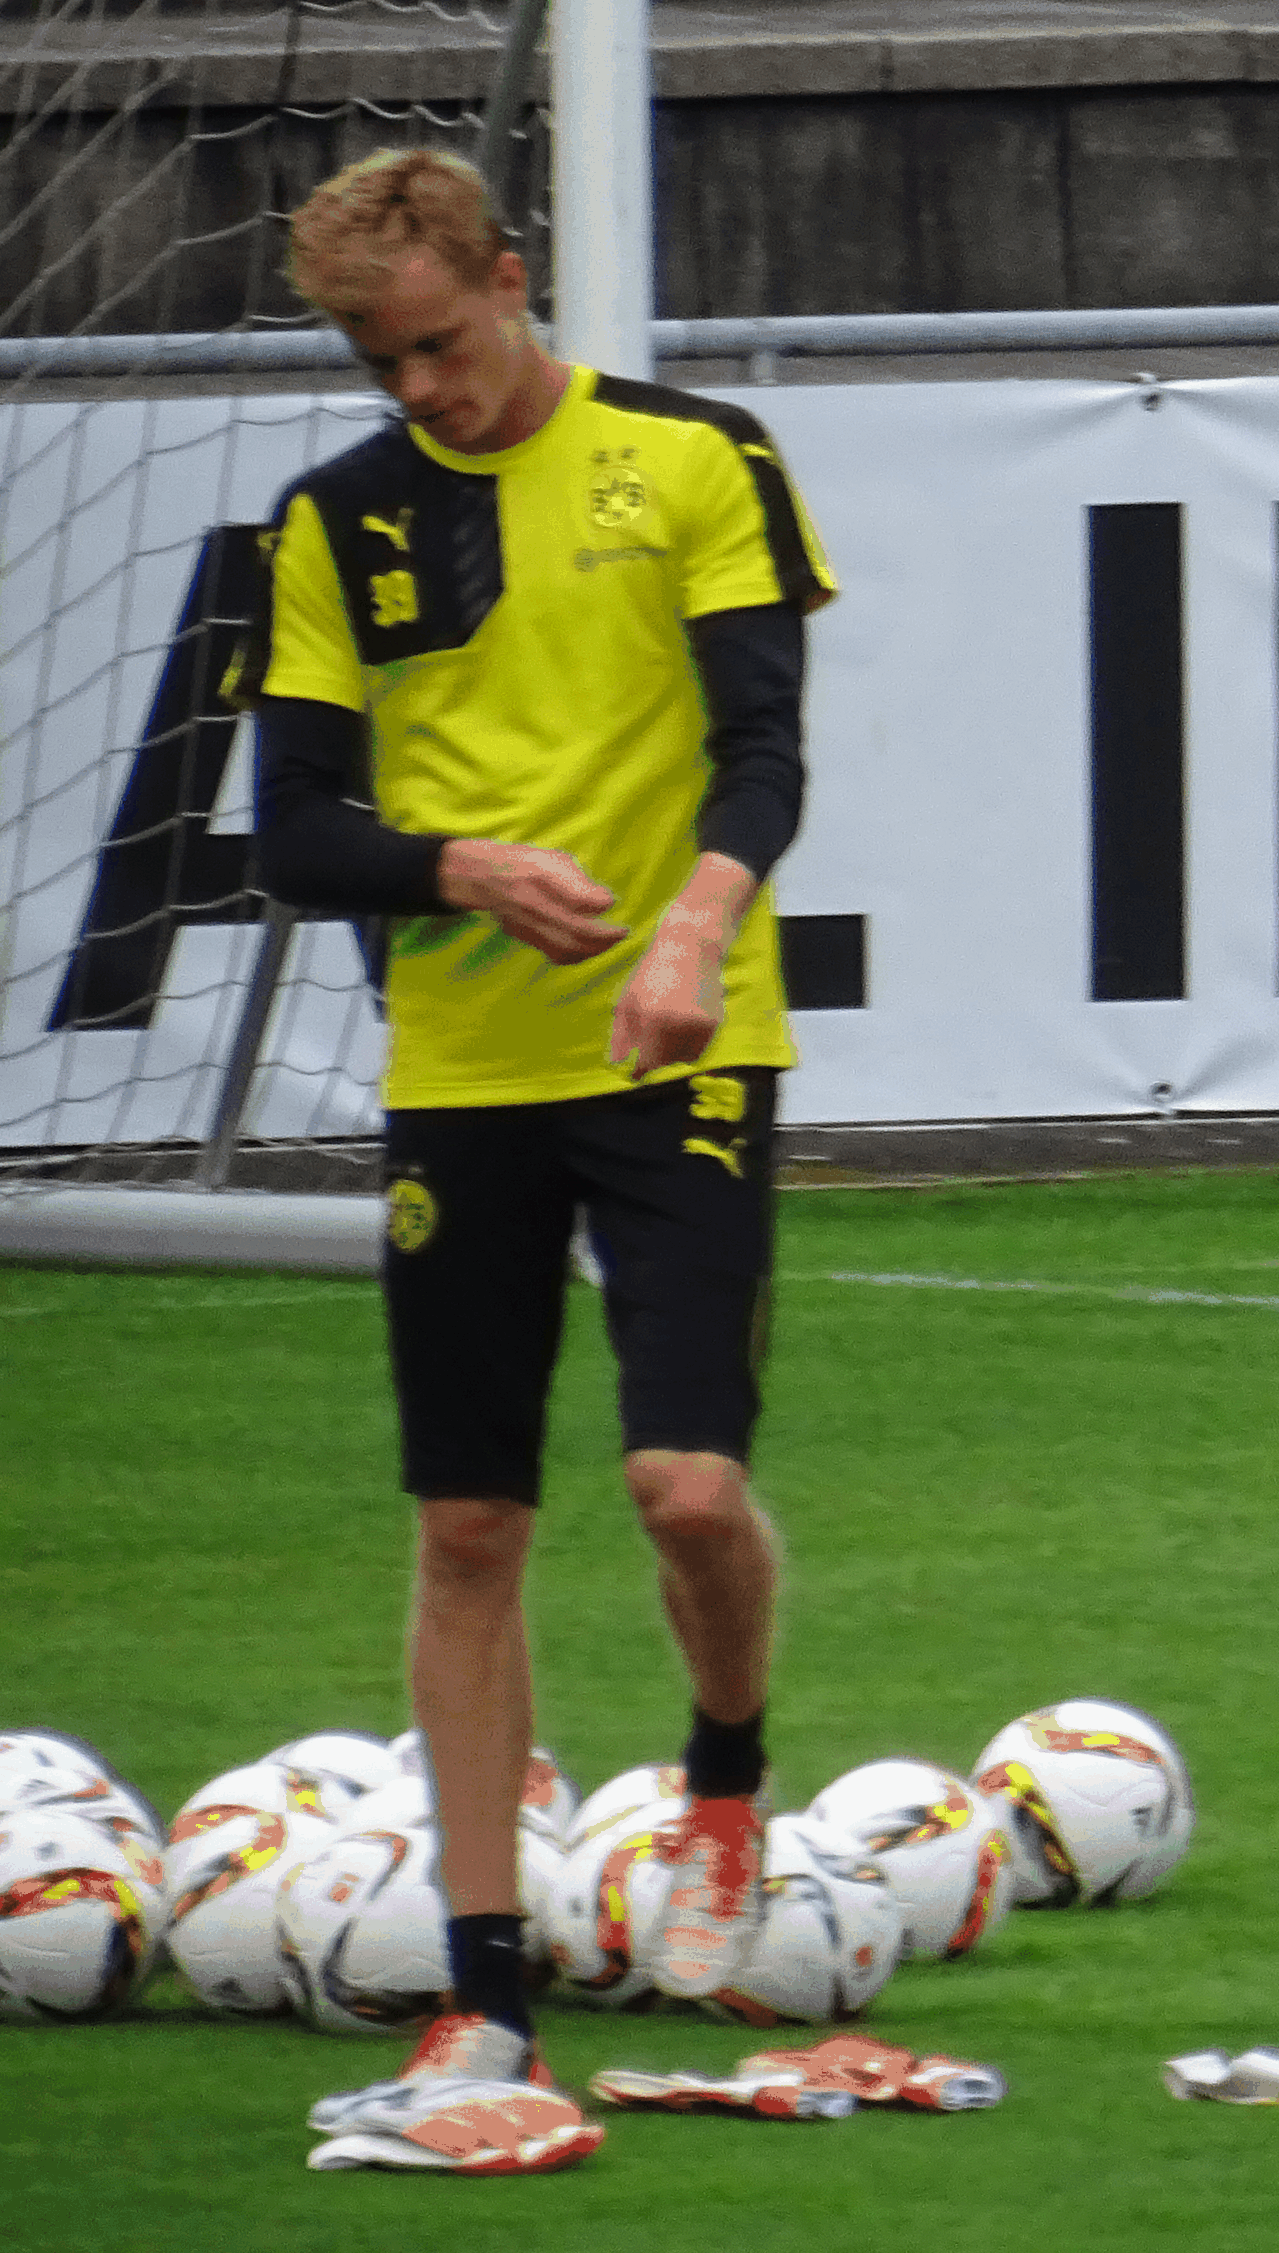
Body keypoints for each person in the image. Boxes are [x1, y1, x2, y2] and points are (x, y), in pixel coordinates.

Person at [242, 148, 834, 2170]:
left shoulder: (692, 456)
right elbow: (292, 830)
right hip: (462, 1068)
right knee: (471, 1527)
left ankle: (726, 1783)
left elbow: (766, 745)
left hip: (686, 1042)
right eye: (379, 360)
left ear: (514, 276)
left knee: (682, 1484)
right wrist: (450, 864)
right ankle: (485, 1984)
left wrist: (691, 924)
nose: (423, 388)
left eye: (443, 340)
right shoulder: (334, 526)